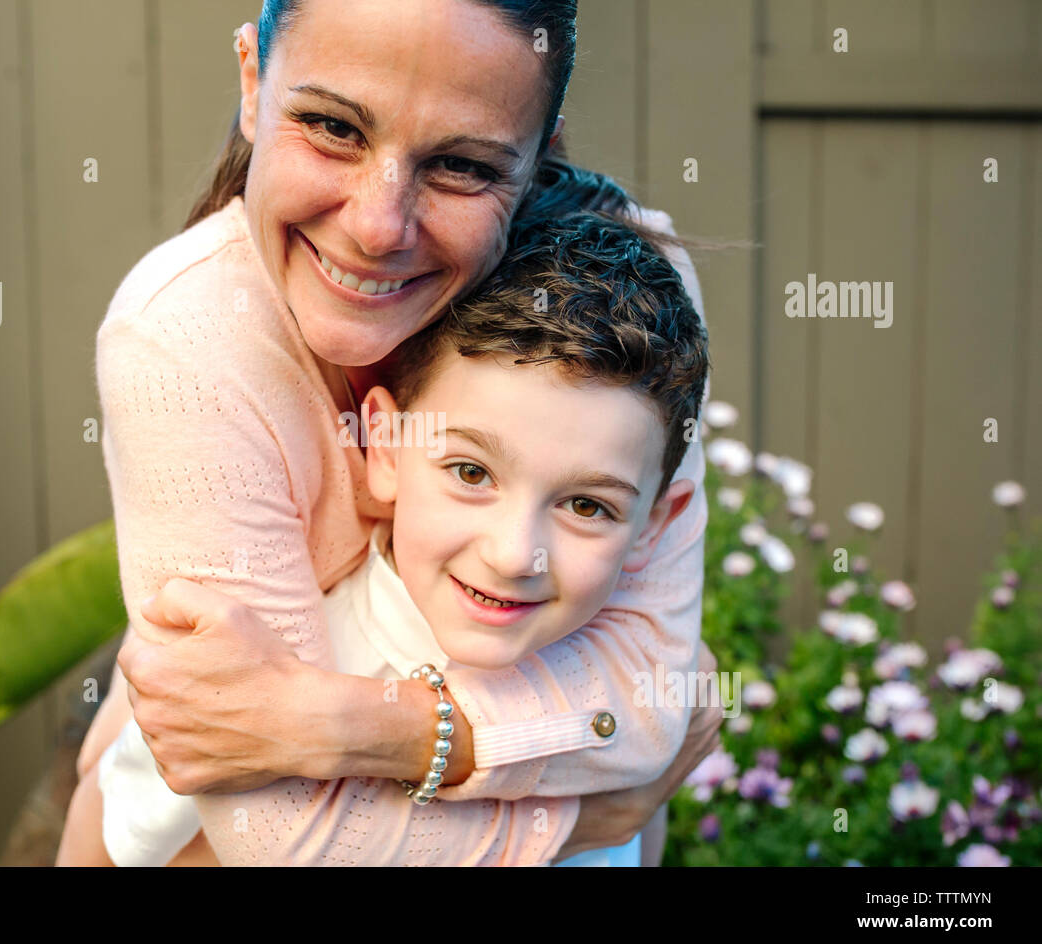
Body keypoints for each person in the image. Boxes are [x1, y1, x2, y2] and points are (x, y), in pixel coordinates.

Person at [60, 0, 722, 866]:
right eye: (332, 126)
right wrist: (581, 818)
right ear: (254, 82)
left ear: (541, 149)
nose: (377, 226)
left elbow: (657, 689)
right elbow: (275, 827)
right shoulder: (185, 336)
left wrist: (354, 728)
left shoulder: (625, 291)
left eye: (459, 165)